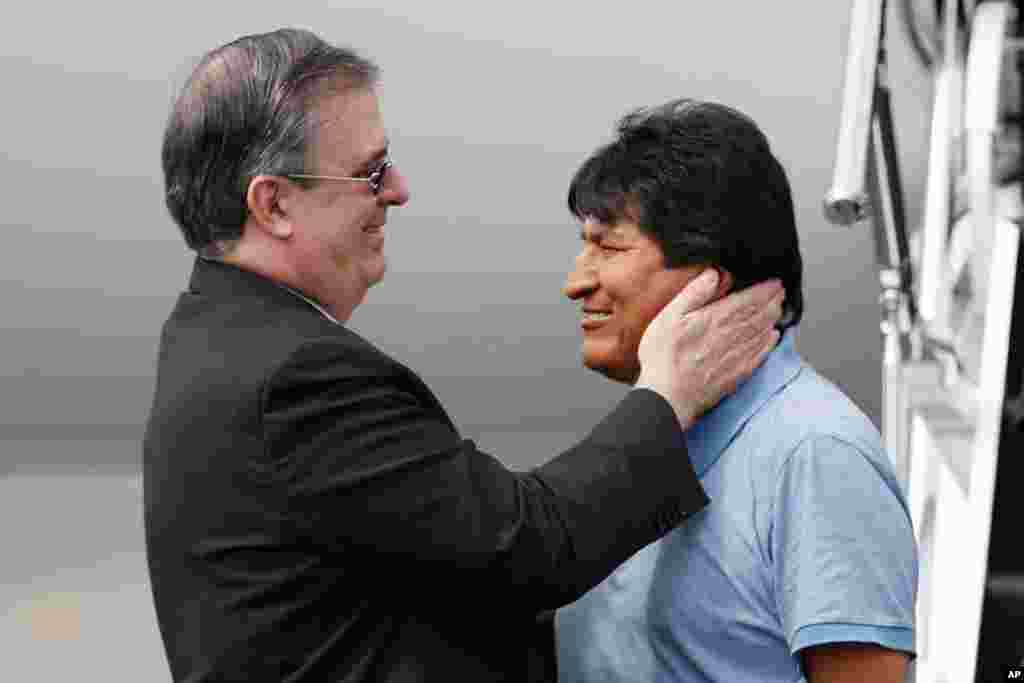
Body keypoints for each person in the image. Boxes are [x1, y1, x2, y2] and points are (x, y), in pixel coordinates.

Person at [143, 29, 784, 683]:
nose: (398, 189)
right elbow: (526, 544)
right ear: (273, 203)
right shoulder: (293, 377)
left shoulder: (208, 333)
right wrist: (669, 393)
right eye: (370, 171)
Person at [555, 99, 918, 683]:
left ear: (706, 282)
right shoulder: (656, 438)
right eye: (584, 244)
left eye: (610, 247)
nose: (576, 281)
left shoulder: (815, 454)